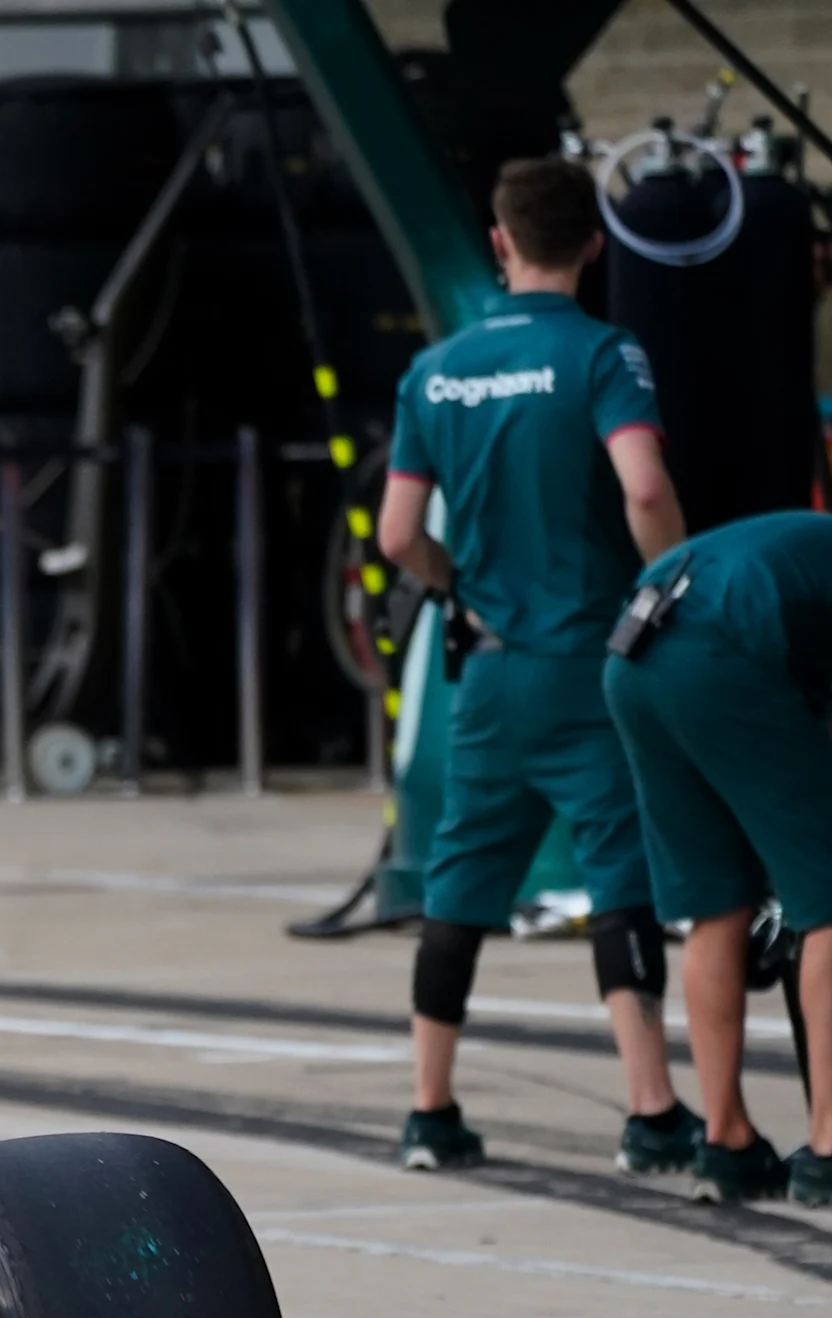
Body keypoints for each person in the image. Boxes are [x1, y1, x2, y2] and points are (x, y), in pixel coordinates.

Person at [374, 156, 691, 1179]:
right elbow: (642, 487)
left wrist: (453, 583)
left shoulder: (435, 370)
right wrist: (671, 585)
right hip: (585, 660)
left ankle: (428, 1109)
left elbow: (394, 536)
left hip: (490, 668)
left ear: (500, 243)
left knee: (461, 877)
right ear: (592, 245)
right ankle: (648, 1110)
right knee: (617, 876)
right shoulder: (604, 355)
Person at [601, 513, 832, 1203]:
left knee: (715, 903)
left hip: (633, 652)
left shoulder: (801, 543)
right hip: (720, 651)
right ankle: (827, 1148)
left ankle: (726, 1142)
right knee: (827, 902)